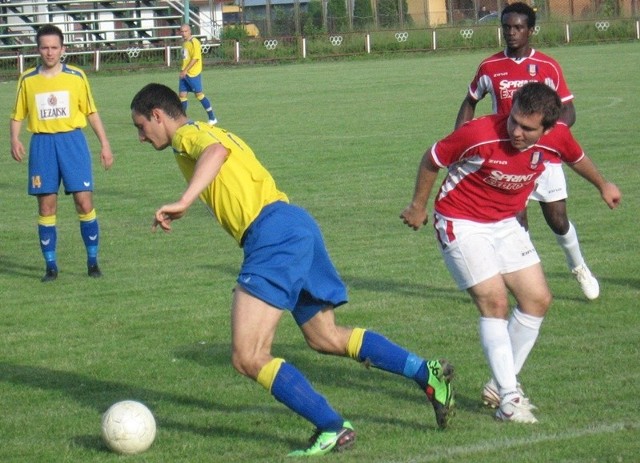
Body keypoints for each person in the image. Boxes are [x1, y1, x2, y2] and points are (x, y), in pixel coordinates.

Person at [130, 83, 454, 456]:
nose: (141, 137)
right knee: (325, 337)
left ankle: (333, 427)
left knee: (248, 355)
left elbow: (216, 154)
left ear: (158, 115)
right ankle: (424, 372)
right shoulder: (210, 128)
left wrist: (184, 201)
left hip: (272, 235)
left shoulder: (188, 135)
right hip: (293, 224)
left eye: (141, 126)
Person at [401, 83, 621, 423]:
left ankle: (497, 384)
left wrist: (603, 184)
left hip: (505, 223)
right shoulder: (480, 133)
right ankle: (508, 399)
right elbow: (432, 159)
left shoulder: (557, 137)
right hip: (461, 221)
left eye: (527, 128)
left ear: (548, 129)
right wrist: (417, 206)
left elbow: (576, 158)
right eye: (514, 120)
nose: (516, 131)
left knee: (537, 300)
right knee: (495, 302)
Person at [454, 2, 601, 302]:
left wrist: (552, 135)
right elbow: (470, 100)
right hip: (507, 160)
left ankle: (579, 266)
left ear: (531, 30)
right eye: (507, 27)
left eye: (518, 27)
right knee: (515, 221)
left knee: (558, 220)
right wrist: (460, 139)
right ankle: (524, 278)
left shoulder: (548, 66)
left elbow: (568, 109)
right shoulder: (489, 67)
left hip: (545, 160)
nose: (511, 32)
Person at [10, 24, 114, 282]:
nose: (49, 52)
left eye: (54, 47)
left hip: (72, 143)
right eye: (44, 47)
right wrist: (14, 139)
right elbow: (17, 115)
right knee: (47, 206)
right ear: (38, 49)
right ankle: (51, 267)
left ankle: (92, 262)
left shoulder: (76, 76)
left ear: (63, 49)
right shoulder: (27, 80)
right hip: (42, 146)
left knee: (84, 202)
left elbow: (91, 111)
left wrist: (105, 144)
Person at [178, 23, 217, 125]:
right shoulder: (184, 42)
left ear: (190, 31)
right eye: (182, 31)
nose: (183, 33)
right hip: (184, 73)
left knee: (199, 94)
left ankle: (212, 118)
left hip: (192, 74)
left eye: (185, 31)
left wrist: (185, 70)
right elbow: (185, 58)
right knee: (182, 95)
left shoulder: (194, 42)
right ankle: (183, 120)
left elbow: (195, 58)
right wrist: (183, 70)